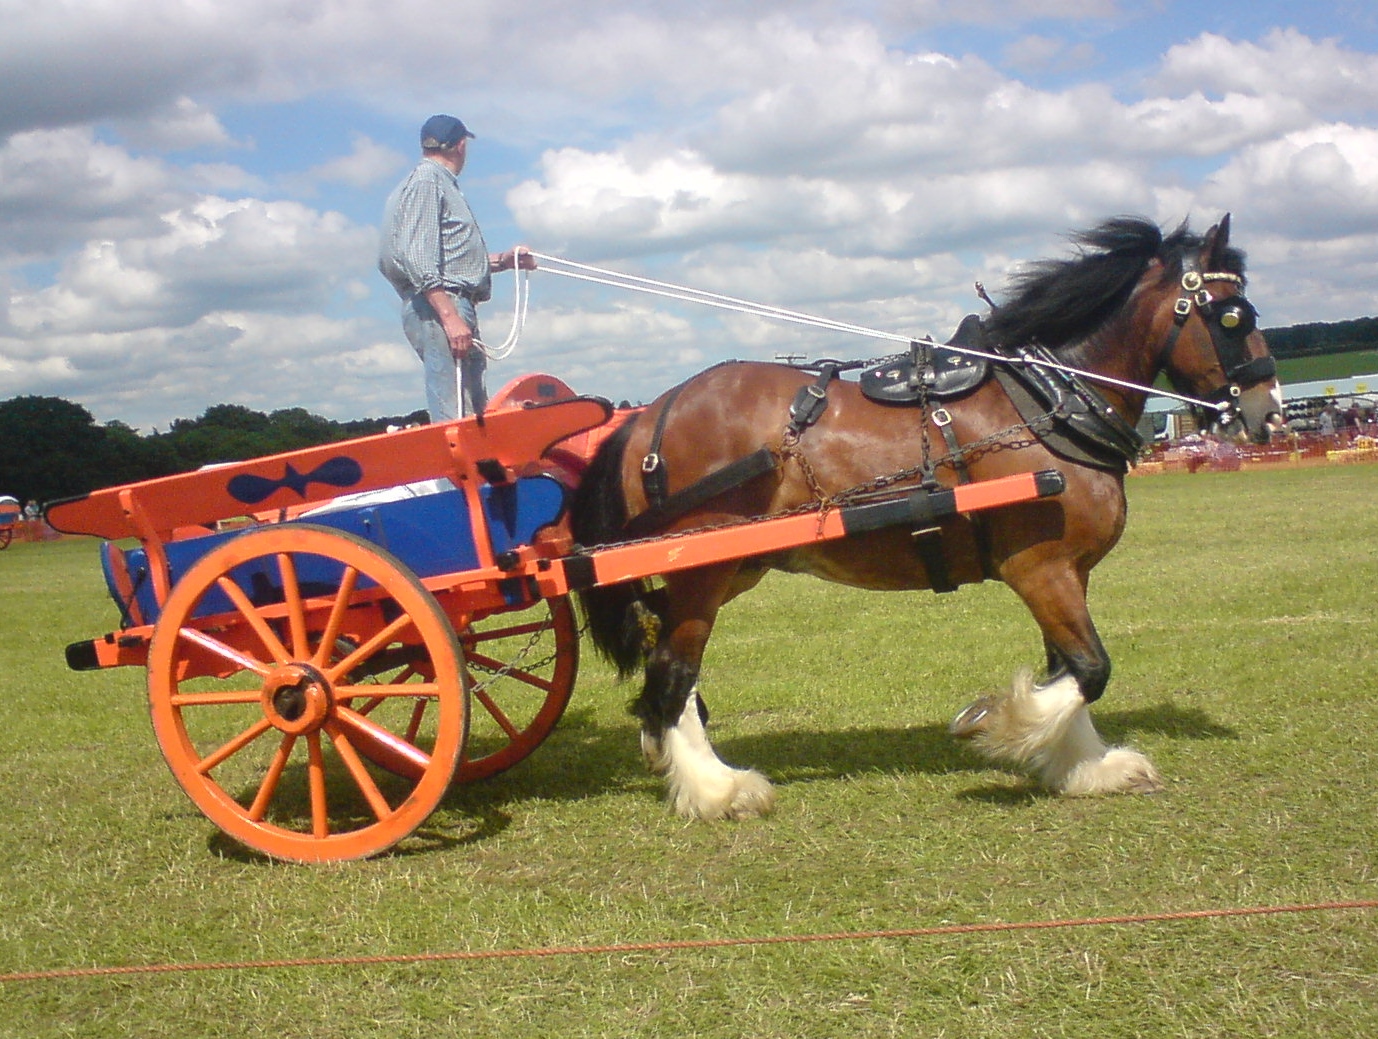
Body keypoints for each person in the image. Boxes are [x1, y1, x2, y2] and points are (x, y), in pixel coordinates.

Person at [379, 114, 536, 420]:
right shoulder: (428, 183)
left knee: (473, 407)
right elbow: (419, 258)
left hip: (441, 301)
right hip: (440, 306)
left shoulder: (426, 183)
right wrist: (450, 318)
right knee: (456, 413)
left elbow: (448, 260)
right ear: (461, 145)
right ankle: (454, 470)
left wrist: (504, 260)